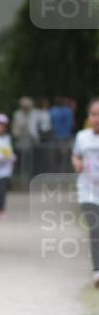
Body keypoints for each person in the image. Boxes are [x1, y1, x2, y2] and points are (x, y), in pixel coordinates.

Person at [71, 98, 99, 288]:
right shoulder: (82, 137)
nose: (97, 118)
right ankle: (97, 271)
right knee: (96, 228)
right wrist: (76, 162)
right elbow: (75, 154)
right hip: (88, 191)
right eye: (94, 114)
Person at [51, 96, 75, 174]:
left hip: (57, 137)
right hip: (66, 137)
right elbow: (72, 124)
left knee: (57, 156)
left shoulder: (53, 110)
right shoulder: (68, 111)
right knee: (65, 156)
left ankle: (57, 172)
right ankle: (63, 173)